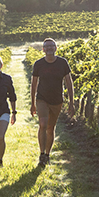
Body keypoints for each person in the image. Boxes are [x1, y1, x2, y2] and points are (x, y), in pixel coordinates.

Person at [29, 38, 73, 166]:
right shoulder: (38, 64)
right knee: (43, 124)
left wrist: (71, 102)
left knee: (50, 127)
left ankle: (47, 154)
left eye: (51, 46)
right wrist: (33, 103)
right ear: (43, 49)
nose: (49, 48)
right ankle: (42, 154)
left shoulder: (63, 63)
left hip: (57, 100)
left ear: (56, 48)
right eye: (46, 46)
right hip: (42, 98)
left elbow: (69, 83)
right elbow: (34, 84)